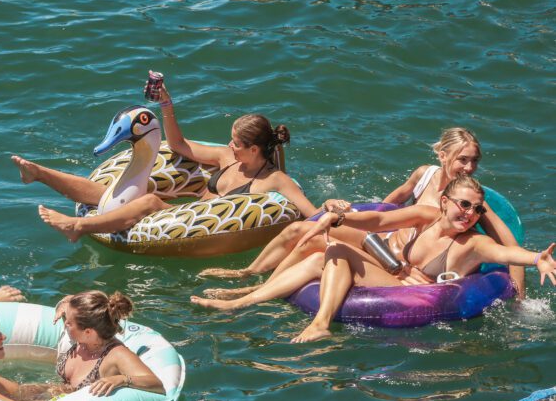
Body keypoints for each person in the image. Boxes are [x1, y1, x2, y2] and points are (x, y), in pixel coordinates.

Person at [191, 175, 555, 343]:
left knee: (334, 251)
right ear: (444, 202)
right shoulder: (426, 215)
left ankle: (320, 323)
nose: (469, 213)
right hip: (397, 277)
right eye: (463, 205)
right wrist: (340, 215)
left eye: (476, 209)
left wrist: (535, 258)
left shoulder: (473, 244)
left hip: (413, 293)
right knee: (322, 256)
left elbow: (506, 253)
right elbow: (380, 219)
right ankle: (240, 301)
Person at [199, 127, 526, 297]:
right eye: (462, 159)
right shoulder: (424, 173)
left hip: (397, 264)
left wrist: (518, 294)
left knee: (318, 242)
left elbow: (509, 244)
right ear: (442, 155)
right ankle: (248, 274)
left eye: (474, 161)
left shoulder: (466, 201)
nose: (468, 167)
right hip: (383, 241)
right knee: (302, 228)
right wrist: (365, 215)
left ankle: (256, 289)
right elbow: (389, 204)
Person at [12, 79, 319, 242]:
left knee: (148, 203)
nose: (229, 146)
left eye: (236, 143)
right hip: (185, 211)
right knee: (114, 190)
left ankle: (80, 226)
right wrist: (167, 104)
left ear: (254, 150)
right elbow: (179, 145)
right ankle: (39, 173)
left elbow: (311, 213)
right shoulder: (227, 158)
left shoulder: (274, 180)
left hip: (199, 224)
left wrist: (334, 214)